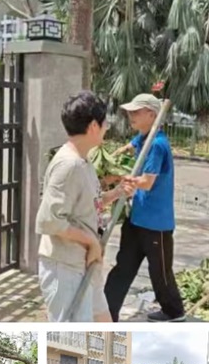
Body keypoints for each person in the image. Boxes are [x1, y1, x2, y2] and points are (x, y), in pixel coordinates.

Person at [37, 91, 136, 322]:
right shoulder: (68, 165)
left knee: (104, 325)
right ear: (93, 125)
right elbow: (49, 221)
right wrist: (91, 242)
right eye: (104, 123)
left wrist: (118, 192)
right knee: (72, 339)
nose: (106, 128)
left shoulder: (83, 161)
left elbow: (89, 204)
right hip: (66, 267)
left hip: (84, 264)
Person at [104, 93, 186, 322]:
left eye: (136, 112)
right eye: (129, 111)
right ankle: (107, 314)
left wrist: (120, 178)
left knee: (159, 272)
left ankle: (174, 311)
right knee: (123, 267)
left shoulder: (158, 145)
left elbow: (147, 182)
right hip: (136, 218)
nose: (130, 115)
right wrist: (107, 158)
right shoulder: (143, 138)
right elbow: (129, 147)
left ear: (152, 114)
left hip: (156, 223)